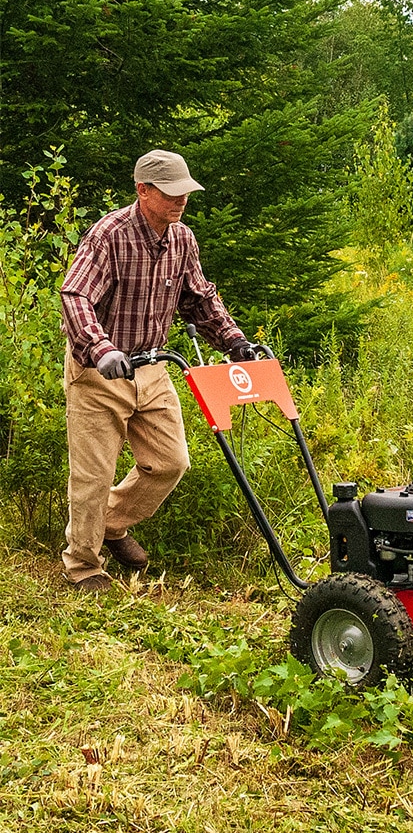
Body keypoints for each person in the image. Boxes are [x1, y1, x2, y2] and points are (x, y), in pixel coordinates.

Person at [60, 149, 256, 591]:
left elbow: (199, 299)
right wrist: (100, 347)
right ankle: (83, 564)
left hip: (151, 367)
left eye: (185, 192)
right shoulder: (109, 235)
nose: (180, 200)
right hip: (100, 372)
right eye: (170, 193)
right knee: (94, 474)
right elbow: (75, 296)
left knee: (170, 462)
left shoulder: (182, 239)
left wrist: (234, 341)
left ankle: (110, 524)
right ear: (143, 190)